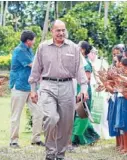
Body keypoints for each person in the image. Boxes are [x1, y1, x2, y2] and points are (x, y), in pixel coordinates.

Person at [28, 20, 88, 160]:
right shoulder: (43, 47)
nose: (61, 33)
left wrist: (83, 88)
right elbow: (36, 69)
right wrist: (33, 89)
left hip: (68, 86)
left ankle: (60, 154)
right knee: (51, 117)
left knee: (66, 123)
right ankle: (50, 153)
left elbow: (80, 70)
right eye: (58, 30)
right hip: (48, 86)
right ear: (52, 32)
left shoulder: (73, 47)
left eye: (63, 30)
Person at [9, 30, 44, 148]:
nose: (34, 42)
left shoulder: (29, 50)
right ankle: (13, 141)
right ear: (28, 41)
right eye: (33, 39)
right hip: (19, 86)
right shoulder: (19, 51)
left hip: (30, 87)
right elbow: (33, 65)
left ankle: (36, 139)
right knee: (16, 115)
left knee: (39, 112)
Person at [71, 41, 100, 146]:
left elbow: (87, 78)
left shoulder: (86, 63)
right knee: (79, 113)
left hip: (83, 90)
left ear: (82, 50)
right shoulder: (79, 61)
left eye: (78, 46)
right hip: (77, 89)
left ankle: (76, 139)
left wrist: (81, 91)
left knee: (81, 114)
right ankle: (91, 136)